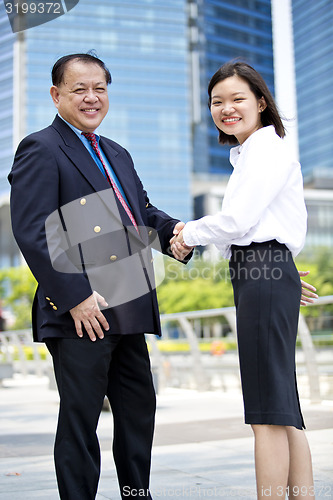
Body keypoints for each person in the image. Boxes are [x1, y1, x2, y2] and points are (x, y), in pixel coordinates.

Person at [8, 52, 192, 500]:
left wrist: (176, 234)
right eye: (79, 89)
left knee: (137, 410)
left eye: (100, 89)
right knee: (81, 416)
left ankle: (135, 493)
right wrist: (74, 296)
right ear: (56, 96)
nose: (92, 98)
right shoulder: (42, 148)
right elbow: (32, 230)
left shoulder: (117, 152)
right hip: (80, 310)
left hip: (128, 299)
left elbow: (140, 212)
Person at [171, 61, 316, 499]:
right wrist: (282, 273)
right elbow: (259, 229)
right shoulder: (253, 154)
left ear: (261, 102)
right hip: (265, 273)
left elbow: (238, 221)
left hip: (263, 274)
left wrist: (186, 233)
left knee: (266, 411)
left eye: (237, 99)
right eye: (217, 101)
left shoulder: (265, 151)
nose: (226, 108)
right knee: (281, 405)